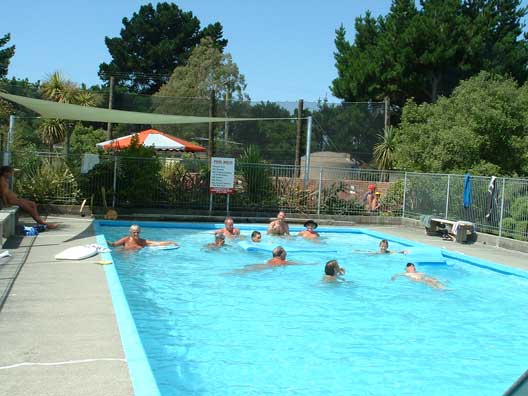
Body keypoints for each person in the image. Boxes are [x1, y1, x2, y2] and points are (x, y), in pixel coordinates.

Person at [108, 224, 178, 250]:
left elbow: (157, 243)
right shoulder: (126, 239)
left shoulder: (143, 241)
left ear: (140, 232)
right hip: (125, 258)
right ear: (130, 232)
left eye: (137, 232)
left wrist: (170, 242)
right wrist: (107, 242)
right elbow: (114, 245)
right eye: (134, 232)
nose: (136, 234)